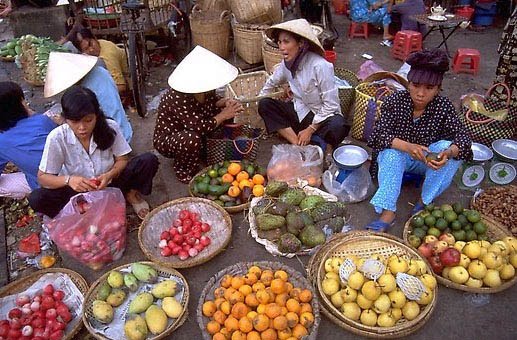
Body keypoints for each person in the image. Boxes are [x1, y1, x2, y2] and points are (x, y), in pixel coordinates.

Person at [366, 49, 473, 231]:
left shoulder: (444, 106)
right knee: (391, 153)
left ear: (438, 89)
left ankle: (424, 201)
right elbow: (377, 135)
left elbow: (463, 138)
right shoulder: (395, 101)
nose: (420, 94)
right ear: (408, 84)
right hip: (400, 160)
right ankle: (388, 211)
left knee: (451, 149)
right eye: (416, 85)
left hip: (427, 162)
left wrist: (448, 152)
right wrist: (407, 147)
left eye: (429, 88)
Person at [29, 86, 159, 219]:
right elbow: (43, 177)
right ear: (65, 119)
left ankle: (130, 194)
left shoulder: (109, 127)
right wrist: (69, 180)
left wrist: (109, 175)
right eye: (74, 122)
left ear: (96, 115)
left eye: (88, 120)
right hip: (77, 191)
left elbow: (122, 159)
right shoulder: (57, 137)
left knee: (149, 161)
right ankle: (76, 212)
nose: (82, 128)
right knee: (37, 198)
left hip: (108, 183)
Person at [153, 45, 244, 183]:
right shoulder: (177, 96)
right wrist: (224, 114)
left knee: (224, 115)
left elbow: (212, 102)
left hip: (195, 126)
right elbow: (198, 127)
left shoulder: (206, 88)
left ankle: (209, 151)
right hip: (172, 138)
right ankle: (184, 170)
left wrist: (225, 103)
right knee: (192, 138)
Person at [257, 19, 348, 156]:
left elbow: (331, 105)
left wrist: (310, 129)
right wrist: (257, 100)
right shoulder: (286, 65)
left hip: (321, 117)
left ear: (300, 44)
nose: (281, 47)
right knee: (265, 104)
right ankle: (298, 144)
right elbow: (271, 83)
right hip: (300, 113)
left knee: (338, 124)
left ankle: (327, 149)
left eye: (286, 42)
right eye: (280, 42)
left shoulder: (320, 66)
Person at [44, 51, 133, 142]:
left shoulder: (92, 84)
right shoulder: (99, 72)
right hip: (119, 130)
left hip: (113, 136)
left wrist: (65, 121)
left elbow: (105, 114)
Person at [0, 82, 58, 198]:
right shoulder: (42, 121)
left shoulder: (1, 141)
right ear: (19, 105)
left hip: (43, 187)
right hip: (70, 176)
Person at [69, 27, 129, 94]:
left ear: (94, 38)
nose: (91, 49)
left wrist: (97, 94)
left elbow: (121, 86)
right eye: (86, 49)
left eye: (90, 44)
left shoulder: (108, 55)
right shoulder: (99, 44)